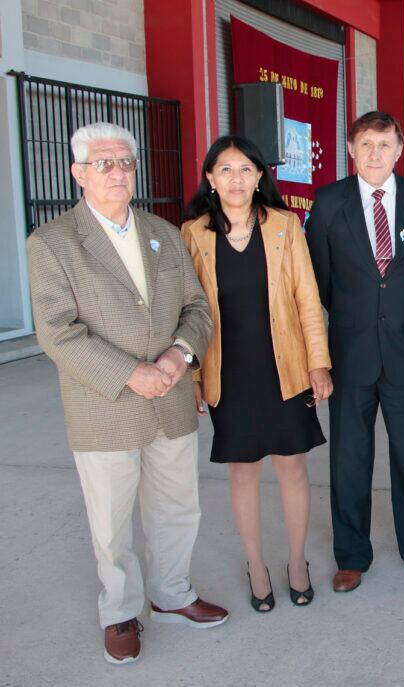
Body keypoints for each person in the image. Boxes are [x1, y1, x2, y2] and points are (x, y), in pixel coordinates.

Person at [26, 122, 226, 665]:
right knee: (111, 521)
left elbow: (197, 308)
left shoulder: (162, 231)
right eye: (103, 163)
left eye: (125, 163)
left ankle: (172, 594)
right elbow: (57, 331)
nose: (117, 172)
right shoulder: (52, 243)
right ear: (78, 173)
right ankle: (119, 611)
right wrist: (131, 372)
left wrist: (179, 356)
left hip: (171, 397)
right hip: (106, 405)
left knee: (178, 507)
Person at [181, 136, 332, 612]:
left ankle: (295, 562)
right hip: (229, 371)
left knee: (292, 467)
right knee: (243, 474)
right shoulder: (193, 234)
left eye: (246, 169)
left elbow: (308, 300)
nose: (237, 179)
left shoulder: (286, 226)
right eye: (225, 170)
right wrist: (192, 378)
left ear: (260, 176)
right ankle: (256, 566)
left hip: (284, 367)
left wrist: (318, 363)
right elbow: (186, 311)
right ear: (210, 178)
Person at [306, 111, 404, 591]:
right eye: (366, 144)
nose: (374, 154)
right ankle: (351, 556)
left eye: (384, 145)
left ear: (399, 150)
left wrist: (400, 314)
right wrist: (357, 316)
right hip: (351, 350)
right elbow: (319, 279)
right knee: (349, 456)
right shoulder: (328, 203)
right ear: (350, 149)